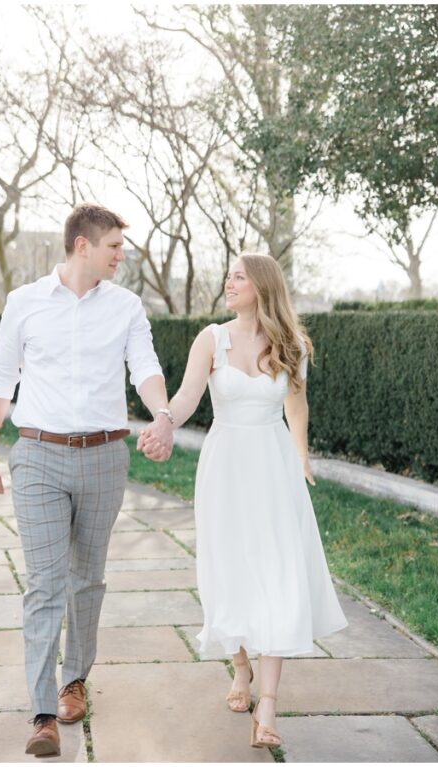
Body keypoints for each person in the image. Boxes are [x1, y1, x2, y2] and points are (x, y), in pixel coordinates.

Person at [0, 203, 174, 757]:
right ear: (82, 245)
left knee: (87, 579)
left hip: (105, 456)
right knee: (44, 583)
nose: (122, 255)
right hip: (38, 455)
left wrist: (161, 415)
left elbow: (147, 368)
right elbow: (0, 379)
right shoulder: (25, 303)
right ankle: (41, 713)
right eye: (114, 246)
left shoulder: (127, 306)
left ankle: (74, 679)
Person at [139, 253, 347, 749]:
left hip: (274, 467)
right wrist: (165, 419)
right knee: (227, 569)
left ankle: (269, 703)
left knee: (278, 574)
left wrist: (301, 457)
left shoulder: (290, 342)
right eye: (227, 275)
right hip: (226, 465)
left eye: (238, 276)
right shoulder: (211, 338)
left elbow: (296, 404)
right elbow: (189, 396)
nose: (229, 283)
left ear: (262, 285)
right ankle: (239, 666)